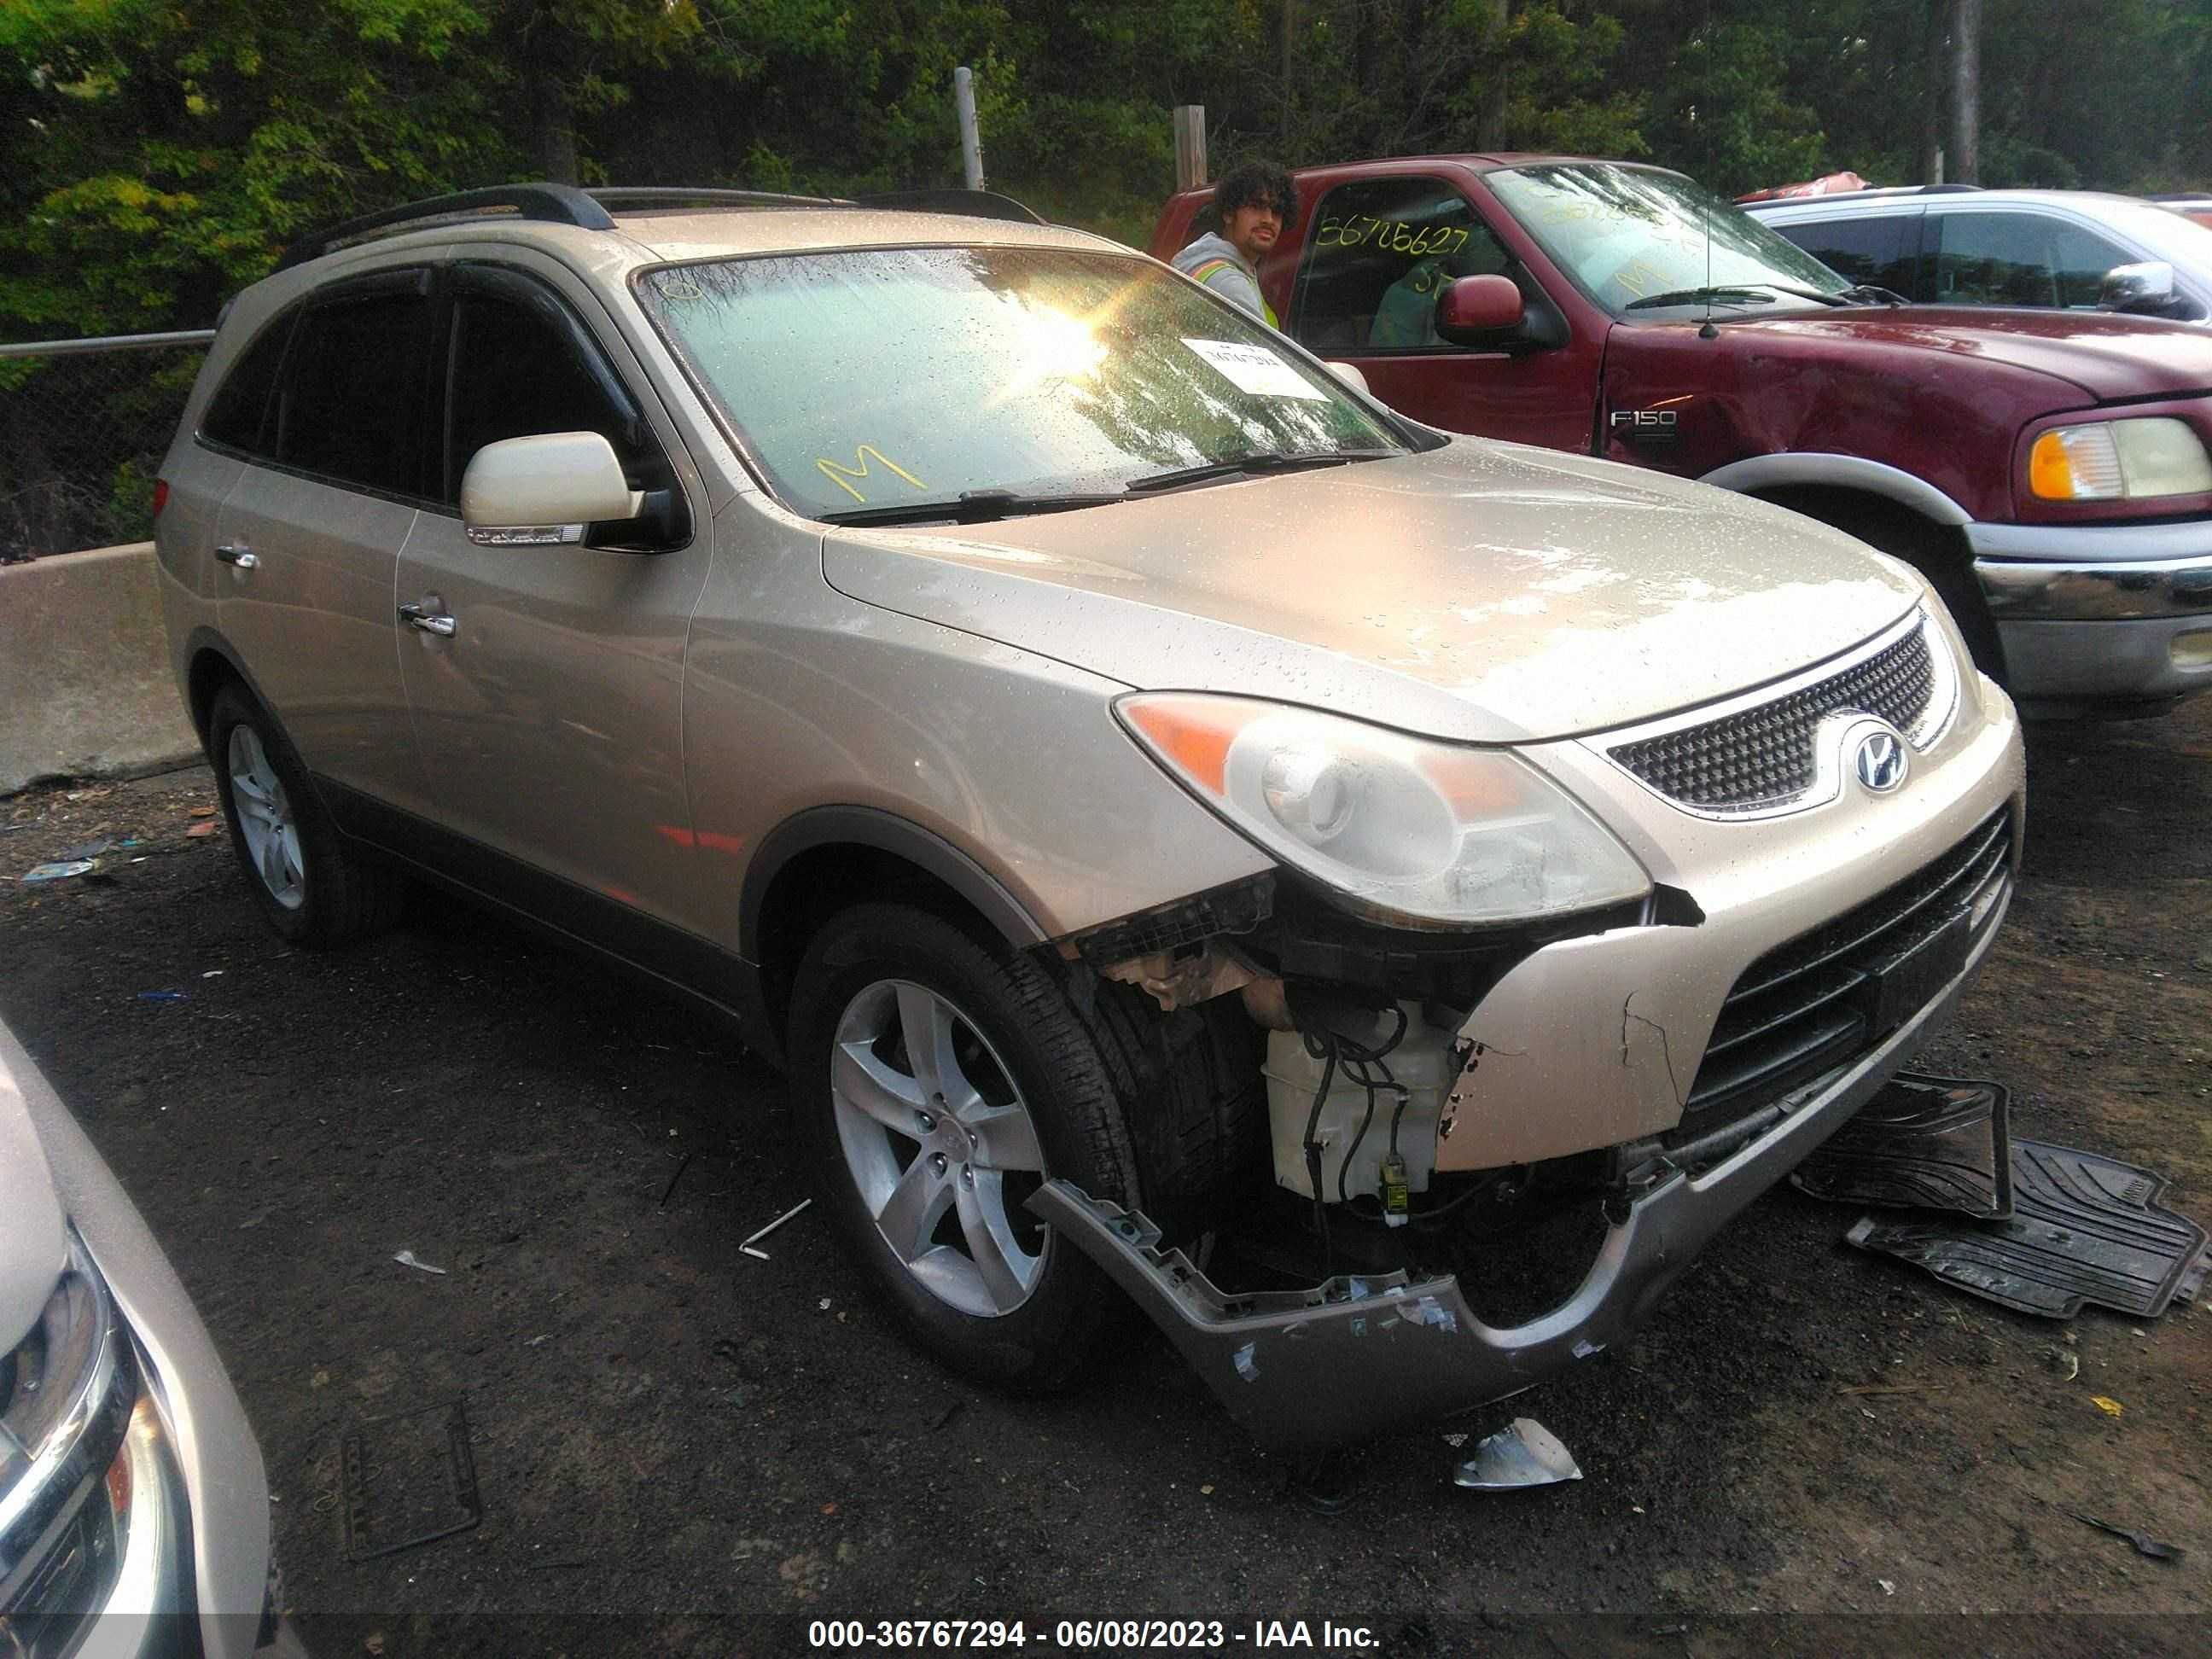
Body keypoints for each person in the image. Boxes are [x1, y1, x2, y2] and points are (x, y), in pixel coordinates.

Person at [1173, 160, 1297, 328]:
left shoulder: (1208, 262)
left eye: (1277, 211)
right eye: (1256, 206)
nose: (1268, 219)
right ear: (1229, 213)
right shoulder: (1230, 285)